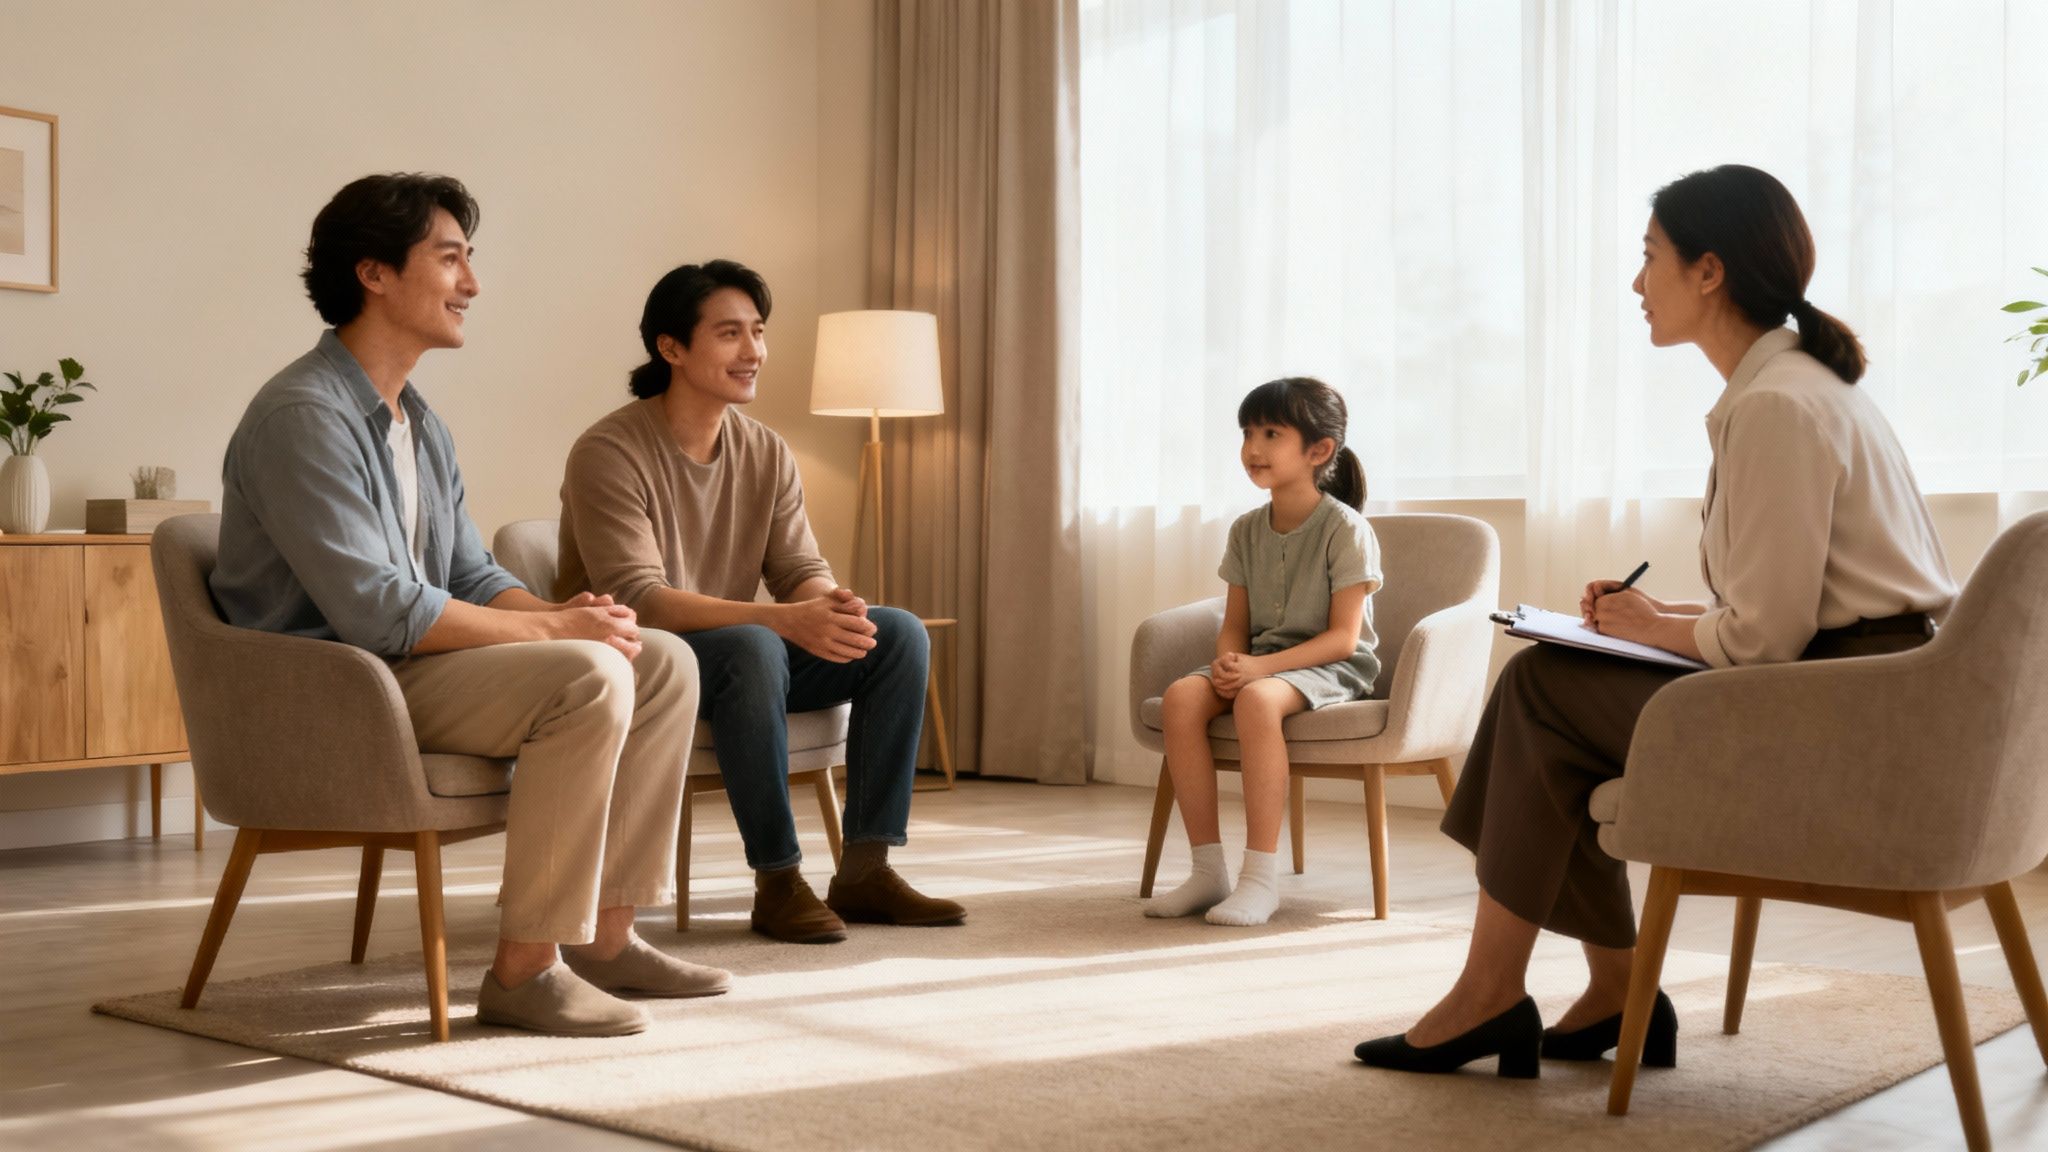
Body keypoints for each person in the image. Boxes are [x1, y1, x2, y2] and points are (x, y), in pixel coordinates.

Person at [1355, 165, 1957, 1078]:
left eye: (1650, 260)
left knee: (1539, 692)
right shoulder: (1798, 389)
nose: (1637, 285)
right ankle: (1612, 990)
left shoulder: (1777, 408)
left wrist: (1645, 628)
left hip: (1840, 716)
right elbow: (1795, 606)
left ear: (1708, 271)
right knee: (1553, 702)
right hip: (1858, 687)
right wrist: (1657, 619)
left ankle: (1498, 995)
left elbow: (1761, 640)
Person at [212, 174, 726, 1039]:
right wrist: (560, 632)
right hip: (341, 693)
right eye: (450, 260)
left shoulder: (418, 420)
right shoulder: (303, 417)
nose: (472, 285)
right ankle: (525, 970)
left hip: (413, 670)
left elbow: (469, 574)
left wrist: (578, 613)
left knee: (660, 658)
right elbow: (378, 611)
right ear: (374, 273)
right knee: (589, 677)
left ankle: (606, 934)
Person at [555, 259, 964, 944]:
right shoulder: (609, 450)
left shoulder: (766, 451)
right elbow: (642, 601)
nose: (754, 353)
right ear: (672, 348)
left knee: (896, 633)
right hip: (642, 661)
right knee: (754, 644)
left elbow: (799, 568)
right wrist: (782, 619)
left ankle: (866, 868)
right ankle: (777, 878)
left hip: (744, 659)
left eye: (758, 332)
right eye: (730, 334)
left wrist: (831, 605)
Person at [1145, 377, 1383, 927]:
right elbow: (1235, 624)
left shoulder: (1346, 529)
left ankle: (1260, 878)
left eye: (1271, 433)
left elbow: (1344, 639)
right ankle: (1208, 871)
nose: (1253, 447)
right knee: (1182, 698)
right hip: (1262, 662)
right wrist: (1232, 661)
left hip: (1331, 666)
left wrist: (1258, 671)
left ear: (1319, 450)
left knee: (1256, 702)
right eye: (1248, 432)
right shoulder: (1246, 529)